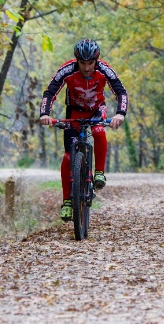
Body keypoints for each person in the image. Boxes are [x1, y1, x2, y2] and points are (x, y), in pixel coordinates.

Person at [39, 39, 128, 221]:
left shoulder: (104, 69)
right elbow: (50, 92)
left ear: (96, 61)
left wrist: (120, 113)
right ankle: (67, 202)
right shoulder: (68, 69)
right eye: (82, 63)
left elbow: (121, 92)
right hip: (75, 112)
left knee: (98, 131)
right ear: (76, 60)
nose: (86, 68)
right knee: (68, 156)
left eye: (90, 63)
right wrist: (44, 114)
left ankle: (99, 173)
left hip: (96, 109)